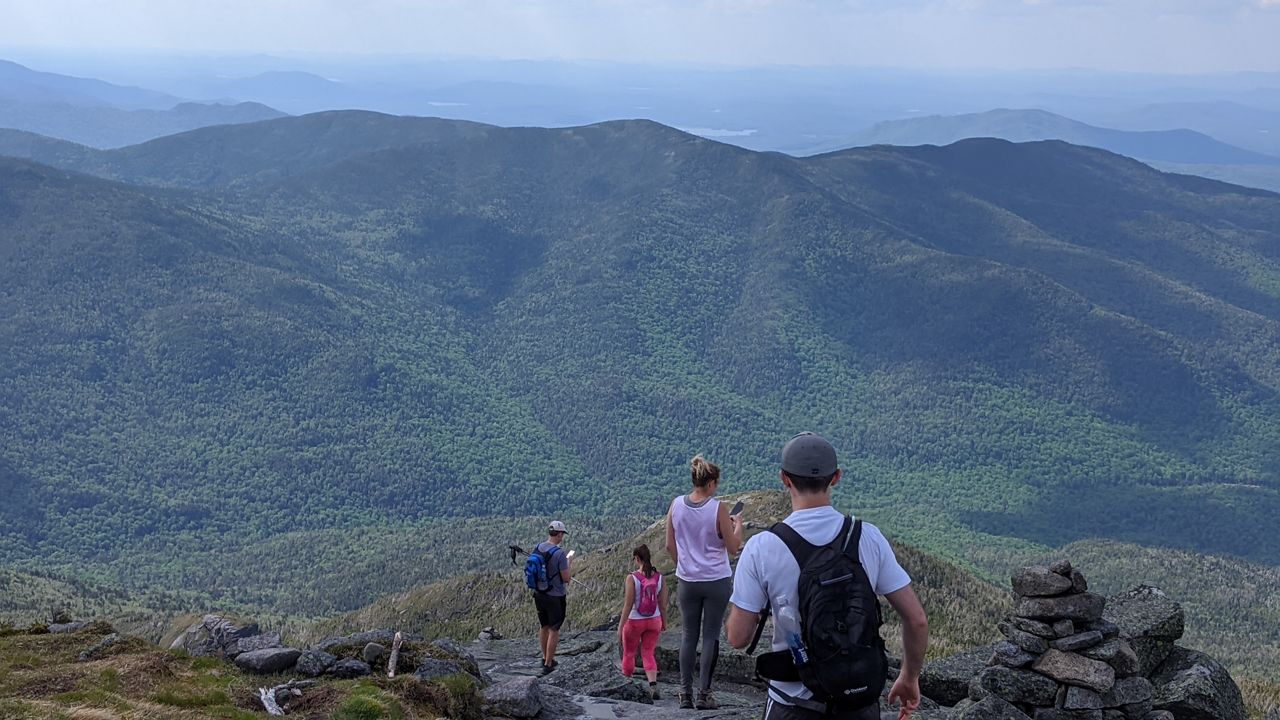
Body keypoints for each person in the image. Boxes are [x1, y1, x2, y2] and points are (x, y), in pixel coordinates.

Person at [725, 432, 929, 720]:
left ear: (784, 479)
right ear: (836, 477)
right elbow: (917, 619)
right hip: (858, 703)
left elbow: (737, 637)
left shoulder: (762, 547)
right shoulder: (868, 538)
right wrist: (909, 677)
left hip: (792, 704)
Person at [666, 455, 744, 710]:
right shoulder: (718, 508)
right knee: (710, 636)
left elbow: (669, 544)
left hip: (687, 580)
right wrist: (738, 526)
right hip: (716, 579)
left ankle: (684, 693)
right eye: (717, 482)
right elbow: (733, 548)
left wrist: (684, 565)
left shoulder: (676, 505)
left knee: (688, 635)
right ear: (710, 483)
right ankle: (704, 695)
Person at [618, 544, 668, 700]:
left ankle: (626, 682)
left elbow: (628, 604)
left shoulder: (632, 578)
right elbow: (663, 604)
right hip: (654, 620)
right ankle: (653, 685)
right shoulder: (660, 578)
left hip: (635, 621)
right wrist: (663, 622)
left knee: (629, 653)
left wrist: (620, 627)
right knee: (648, 653)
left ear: (637, 558)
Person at [534, 520, 573, 675]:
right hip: (555, 595)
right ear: (559, 534)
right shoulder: (559, 554)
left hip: (539, 594)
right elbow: (566, 578)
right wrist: (569, 562)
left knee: (543, 626)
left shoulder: (538, 547)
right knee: (554, 629)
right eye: (562, 533)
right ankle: (549, 663)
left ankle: (544, 657)